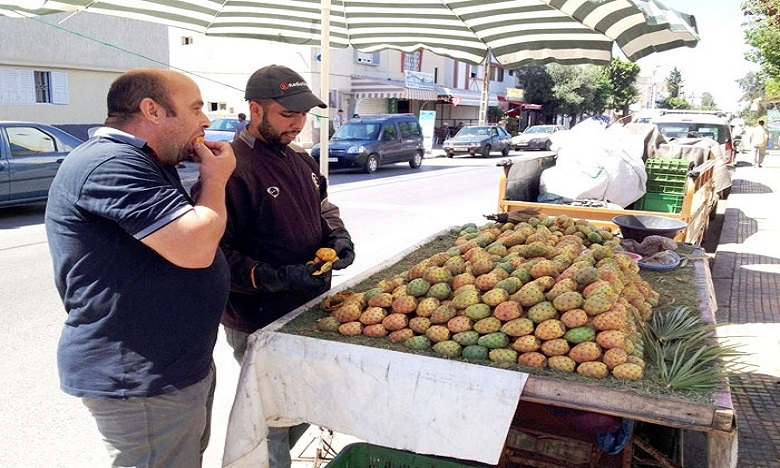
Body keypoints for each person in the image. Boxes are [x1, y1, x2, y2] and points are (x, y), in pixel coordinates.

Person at [45, 68, 236, 468]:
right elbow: (196, 245)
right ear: (151, 109)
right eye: (197, 108)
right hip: (140, 376)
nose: (205, 121)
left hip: (174, 366)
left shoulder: (148, 160)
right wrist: (215, 180)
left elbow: (188, 228)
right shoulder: (110, 164)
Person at [192, 65, 355, 468]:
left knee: (299, 402)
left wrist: (337, 236)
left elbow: (322, 206)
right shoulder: (230, 169)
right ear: (255, 110)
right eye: (288, 114)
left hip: (309, 306)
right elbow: (213, 251)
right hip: (256, 318)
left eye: (303, 115)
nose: (298, 124)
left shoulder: (300, 158)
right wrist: (271, 277)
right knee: (269, 418)